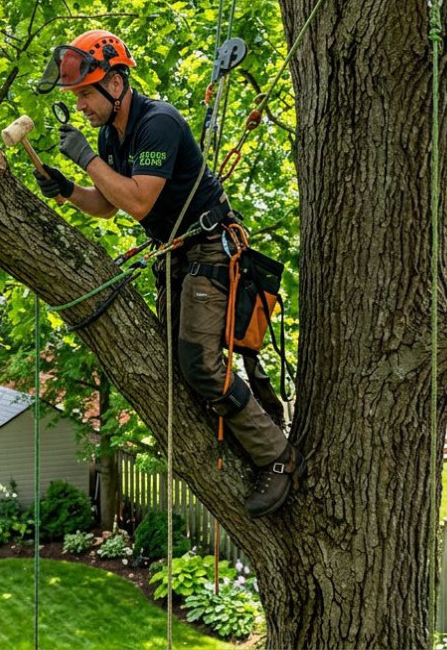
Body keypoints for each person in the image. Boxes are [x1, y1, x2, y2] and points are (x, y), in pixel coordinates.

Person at [33, 29, 304, 518]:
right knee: (180, 364)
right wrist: (68, 187)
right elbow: (108, 205)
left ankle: (277, 457)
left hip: (209, 249)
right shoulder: (109, 134)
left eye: (86, 94)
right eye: (76, 97)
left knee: (199, 363)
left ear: (117, 83)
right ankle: (255, 429)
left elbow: (138, 199)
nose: (81, 106)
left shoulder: (157, 123)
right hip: (177, 254)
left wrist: (86, 159)